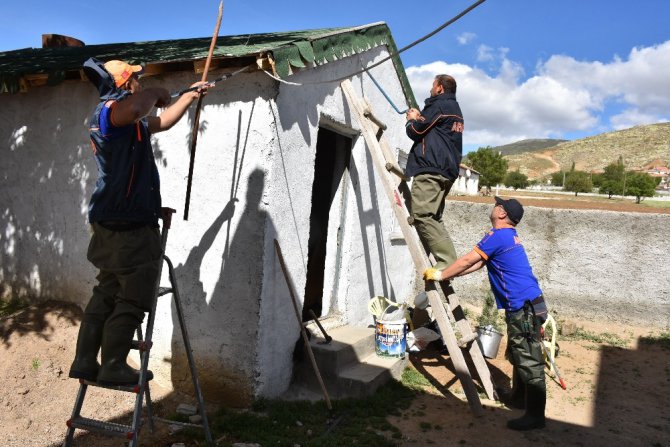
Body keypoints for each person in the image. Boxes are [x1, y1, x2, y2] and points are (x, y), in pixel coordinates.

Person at [68, 59, 209, 386]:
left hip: (113, 220)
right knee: (133, 294)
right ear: (124, 84)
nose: (141, 85)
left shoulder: (128, 122)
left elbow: (162, 120)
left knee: (107, 290)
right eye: (137, 81)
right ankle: (114, 363)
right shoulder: (110, 113)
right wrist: (158, 91)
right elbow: (135, 110)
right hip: (128, 225)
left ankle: (85, 359)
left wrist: (188, 95)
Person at [423, 197, 549, 431]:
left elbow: (469, 259)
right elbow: (478, 263)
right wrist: (450, 274)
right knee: (520, 354)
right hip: (526, 305)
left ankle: (535, 415)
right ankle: (518, 398)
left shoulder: (498, 236)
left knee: (529, 360)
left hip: (524, 308)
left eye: (497, 205)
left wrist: (441, 275)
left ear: (502, 213)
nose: (493, 207)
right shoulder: (506, 237)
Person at [404, 74, 464, 270]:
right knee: (434, 217)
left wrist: (411, 121)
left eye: (433, 86)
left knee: (423, 214)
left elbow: (417, 132)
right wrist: (420, 116)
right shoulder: (454, 109)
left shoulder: (439, 104)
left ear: (439, 88)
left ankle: (447, 262)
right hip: (447, 171)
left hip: (431, 168)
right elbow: (433, 128)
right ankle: (447, 260)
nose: (431, 89)